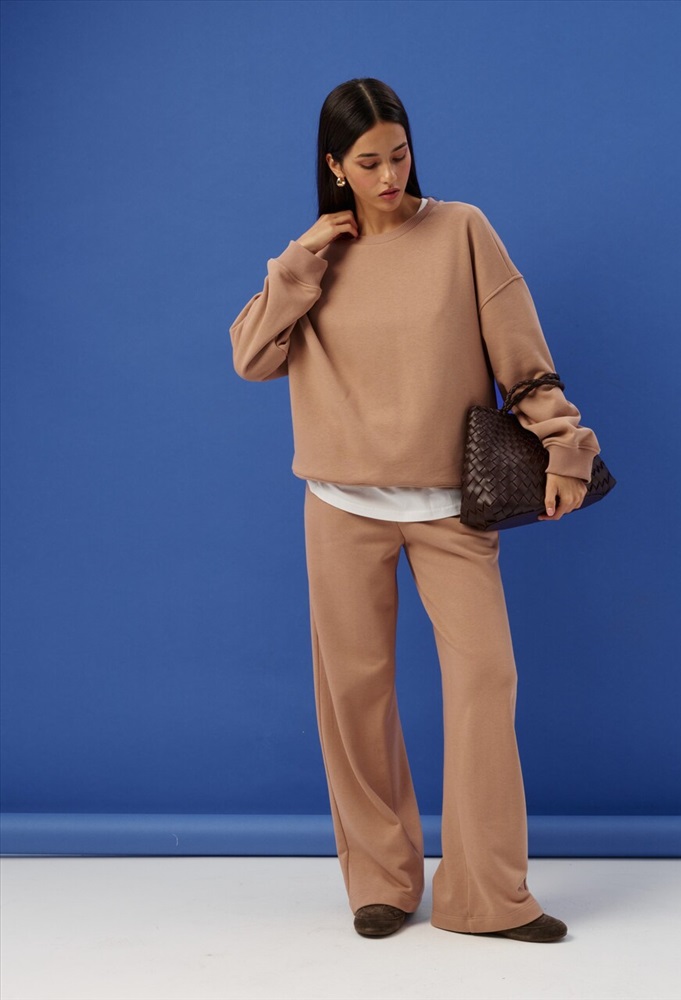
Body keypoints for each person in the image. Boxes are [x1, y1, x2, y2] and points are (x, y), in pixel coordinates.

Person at [228, 78, 601, 942]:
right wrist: (301, 258)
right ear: (335, 166)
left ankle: (487, 896)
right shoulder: (315, 261)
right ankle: (382, 881)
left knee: (486, 678)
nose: (390, 175)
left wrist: (566, 450)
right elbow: (251, 356)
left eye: (399, 155)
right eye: (368, 162)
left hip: (450, 508)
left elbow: (526, 364)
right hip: (340, 505)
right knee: (355, 695)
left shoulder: (463, 231)